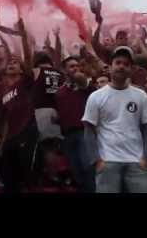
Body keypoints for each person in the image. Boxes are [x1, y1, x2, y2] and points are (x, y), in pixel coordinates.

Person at [82, 46, 147, 193]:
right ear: (110, 67)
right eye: (118, 63)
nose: (121, 66)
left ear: (131, 69)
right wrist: (96, 161)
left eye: (126, 64)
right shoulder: (96, 96)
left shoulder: (141, 95)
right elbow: (89, 130)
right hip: (107, 161)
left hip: (137, 161)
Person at [0, 18, 38, 193]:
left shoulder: (25, 82)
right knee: (8, 180)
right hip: (10, 139)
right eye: (10, 62)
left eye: (16, 62)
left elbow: (28, 58)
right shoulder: (3, 90)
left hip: (27, 134)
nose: (12, 63)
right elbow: (7, 118)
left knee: (26, 178)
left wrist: (22, 37)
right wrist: (3, 141)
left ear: (22, 69)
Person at [54, 56, 96, 193]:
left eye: (77, 66)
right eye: (72, 66)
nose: (76, 68)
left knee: (87, 166)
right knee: (75, 170)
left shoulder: (85, 86)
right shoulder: (59, 92)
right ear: (64, 70)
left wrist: (83, 81)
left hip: (84, 132)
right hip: (66, 135)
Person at [32, 51, 64, 140]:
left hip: (42, 111)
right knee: (57, 143)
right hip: (59, 112)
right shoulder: (61, 74)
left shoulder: (36, 71)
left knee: (46, 144)